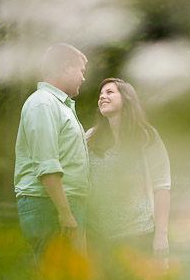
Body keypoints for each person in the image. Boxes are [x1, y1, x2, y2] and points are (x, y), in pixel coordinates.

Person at [13, 43, 89, 266]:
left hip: (61, 204)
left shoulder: (59, 105)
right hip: (50, 206)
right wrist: (65, 212)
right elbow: (47, 163)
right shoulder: (43, 103)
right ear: (67, 67)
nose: (83, 78)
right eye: (81, 71)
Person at [85, 77, 171, 266]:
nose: (102, 97)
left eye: (109, 92)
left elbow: (162, 186)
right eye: (100, 94)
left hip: (138, 235)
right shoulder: (90, 138)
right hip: (97, 237)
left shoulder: (146, 136)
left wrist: (161, 235)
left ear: (127, 99)